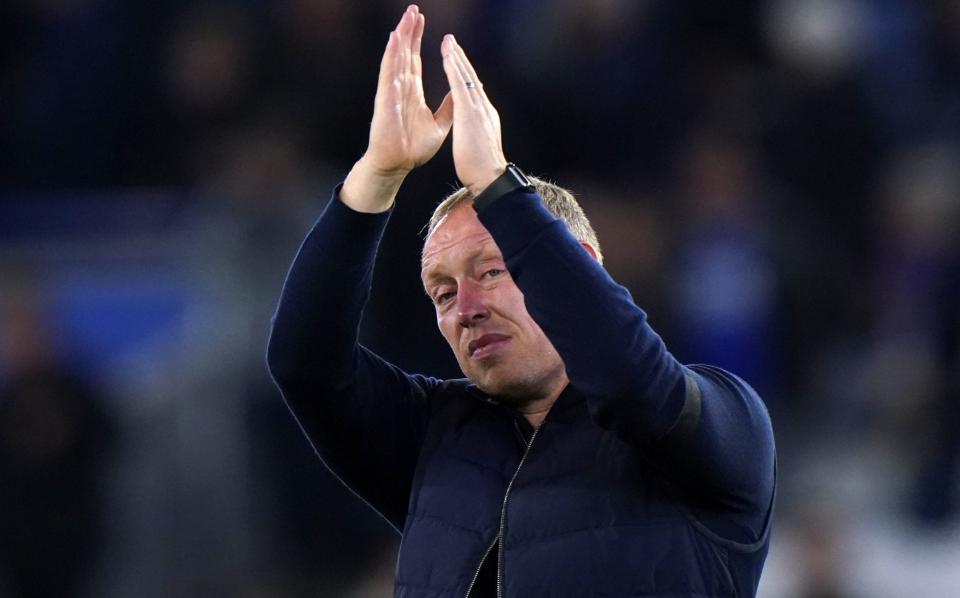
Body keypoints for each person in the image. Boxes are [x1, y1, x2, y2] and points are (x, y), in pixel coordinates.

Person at [267, 5, 776, 597]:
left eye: (492, 270)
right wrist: (377, 175)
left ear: (579, 264)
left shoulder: (726, 423)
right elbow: (304, 364)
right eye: (443, 292)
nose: (466, 308)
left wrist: (497, 188)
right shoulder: (433, 438)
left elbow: (626, 379)